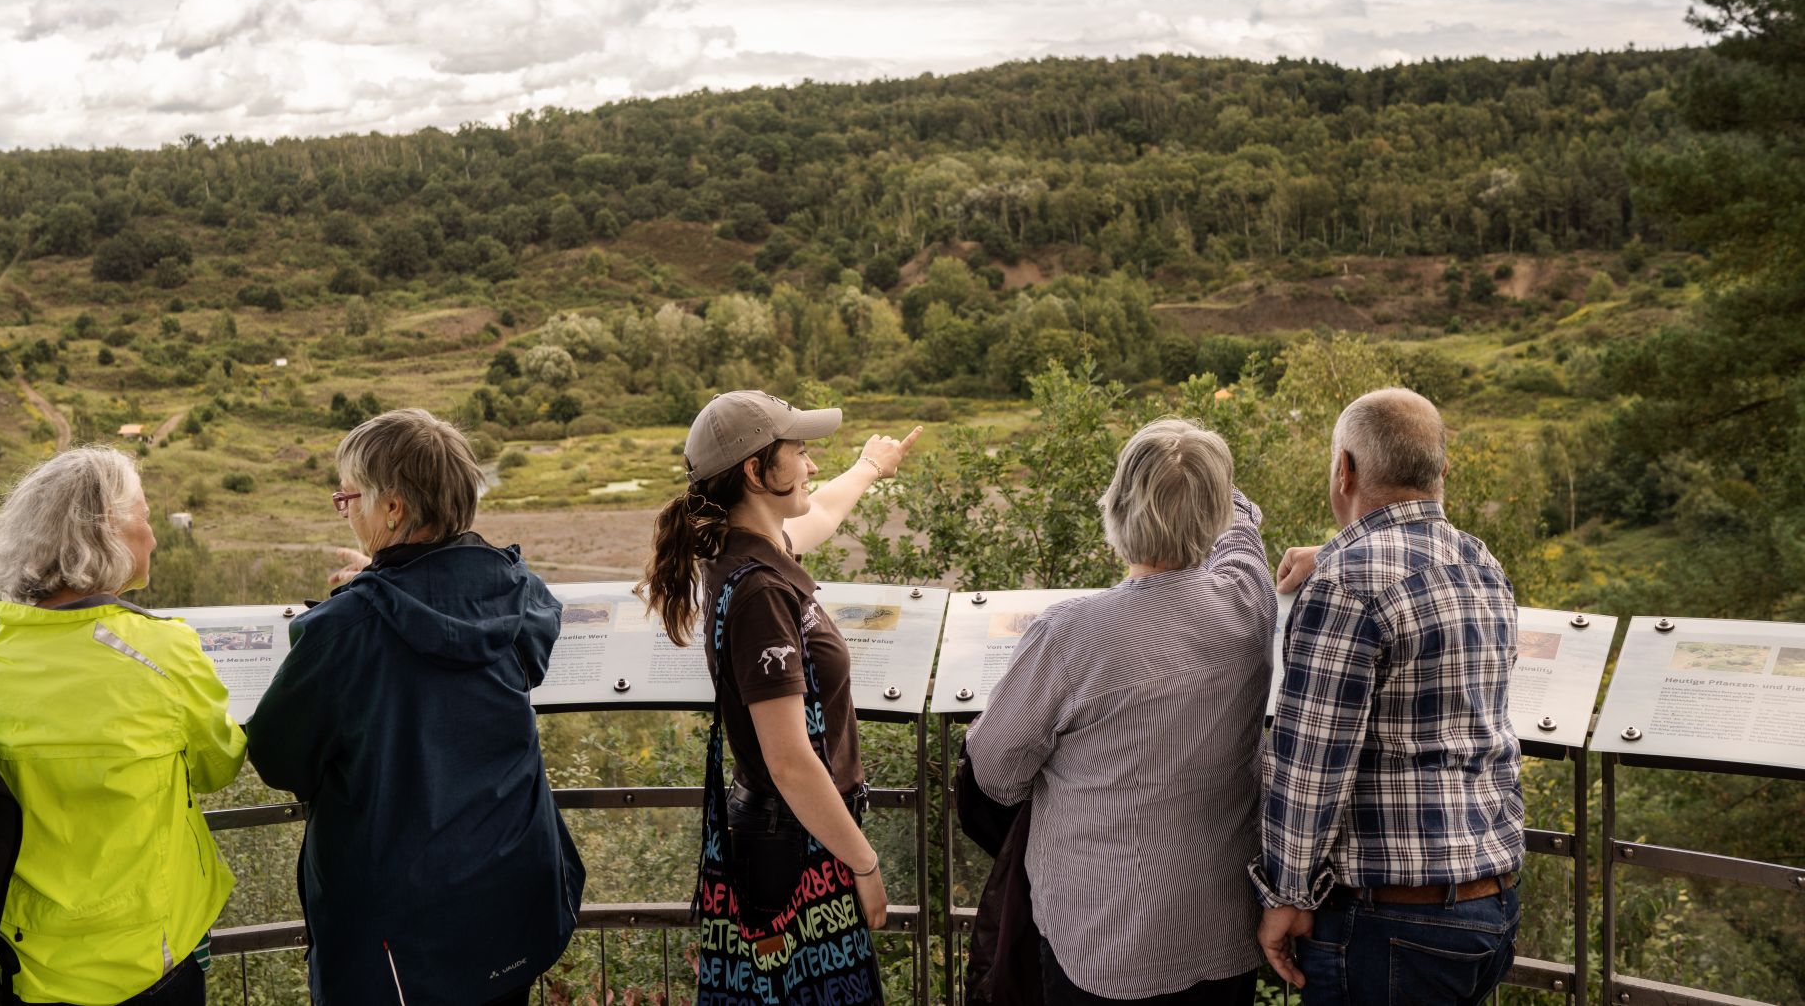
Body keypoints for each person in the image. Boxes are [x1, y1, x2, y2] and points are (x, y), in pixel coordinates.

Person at [247, 408, 581, 1006]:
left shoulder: (344, 630)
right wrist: (382, 578)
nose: (344, 510)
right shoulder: (518, 590)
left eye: (348, 497)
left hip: (402, 937)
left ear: (393, 508)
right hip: (514, 895)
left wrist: (371, 590)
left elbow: (279, 758)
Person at [966, 419, 1275, 1006]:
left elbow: (994, 772)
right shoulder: (1250, 603)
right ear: (1212, 519)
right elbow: (1243, 538)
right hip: (1219, 935)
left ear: (1115, 506)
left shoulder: (1070, 632)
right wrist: (1218, 498)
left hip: (1100, 945)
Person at [640, 390, 920, 1006]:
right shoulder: (762, 593)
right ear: (755, 469)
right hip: (797, 848)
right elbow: (790, 761)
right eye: (798, 452)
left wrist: (872, 466)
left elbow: (818, 517)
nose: (812, 466)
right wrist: (866, 866)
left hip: (796, 834)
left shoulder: (750, 551)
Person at [0, 446, 245, 1006]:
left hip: (18, 961)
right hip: (148, 959)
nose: (153, 538)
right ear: (104, 532)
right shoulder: (164, 651)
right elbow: (217, 766)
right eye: (145, 519)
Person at [1252, 388, 1523, 1004]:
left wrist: (1286, 895)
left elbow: (1311, 765)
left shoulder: (1346, 583)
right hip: (1492, 901)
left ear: (1343, 468)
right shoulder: (1482, 564)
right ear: (1441, 473)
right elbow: (1409, 567)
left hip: (1390, 921)